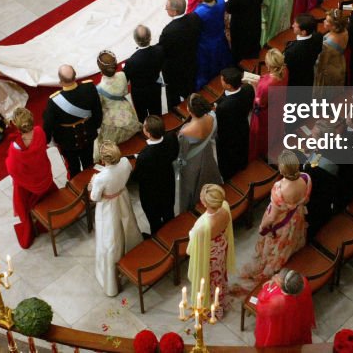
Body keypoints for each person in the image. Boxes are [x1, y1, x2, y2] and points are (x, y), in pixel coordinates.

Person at [241, 150, 311, 284]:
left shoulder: (279, 189)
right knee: (288, 243)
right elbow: (305, 199)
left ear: (282, 170)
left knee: (274, 246)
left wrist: (263, 226)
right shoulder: (305, 178)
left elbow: (272, 217)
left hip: (281, 222)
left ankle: (270, 267)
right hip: (296, 217)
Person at [91, 141, 143, 295]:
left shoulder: (101, 177)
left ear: (103, 159)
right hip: (122, 197)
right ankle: (133, 253)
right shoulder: (126, 162)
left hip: (108, 207)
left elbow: (95, 197)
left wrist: (94, 181)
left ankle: (111, 280)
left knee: (110, 239)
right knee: (128, 227)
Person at [6, 107, 57, 248]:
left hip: (29, 184)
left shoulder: (16, 146)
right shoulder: (40, 132)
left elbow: (12, 169)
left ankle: (32, 228)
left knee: (23, 201)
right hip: (43, 175)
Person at [44, 64, 103, 178]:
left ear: (60, 81)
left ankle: (78, 189)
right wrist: (95, 126)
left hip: (67, 142)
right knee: (89, 163)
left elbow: (48, 126)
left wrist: (48, 141)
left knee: (73, 168)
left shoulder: (53, 101)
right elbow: (98, 111)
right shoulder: (89, 88)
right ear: (75, 76)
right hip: (88, 135)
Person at [187, 184, 235, 319]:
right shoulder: (225, 208)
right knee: (219, 275)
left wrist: (192, 233)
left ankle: (214, 308)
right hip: (221, 247)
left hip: (209, 254)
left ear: (204, 203)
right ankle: (221, 298)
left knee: (210, 281)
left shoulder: (202, 226)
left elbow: (194, 245)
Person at [130, 115, 179, 235]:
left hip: (151, 192)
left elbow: (136, 177)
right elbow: (174, 154)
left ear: (148, 133)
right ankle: (171, 232)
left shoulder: (145, 156)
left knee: (154, 218)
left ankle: (157, 237)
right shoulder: (171, 137)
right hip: (168, 182)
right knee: (168, 211)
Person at [177, 94, 224, 211]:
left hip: (193, 161)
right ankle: (211, 196)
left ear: (190, 111)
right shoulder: (212, 116)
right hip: (207, 152)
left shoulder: (186, 130)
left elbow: (182, 152)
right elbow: (213, 134)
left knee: (190, 185)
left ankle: (191, 207)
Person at [93, 50, 142, 158]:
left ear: (101, 68)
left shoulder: (99, 88)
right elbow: (125, 91)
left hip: (112, 120)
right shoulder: (122, 75)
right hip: (127, 112)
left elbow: (100, 107)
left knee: (99, 146)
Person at [159, 0, 202, 109]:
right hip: (191, 62)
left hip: (174, 71)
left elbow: (163, 51)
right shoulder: (194, 18)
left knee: (172, 97)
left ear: (174, 11)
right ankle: (193, 108)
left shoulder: (168, 31)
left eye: (167, 8)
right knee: (190, 90)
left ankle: (175, 115)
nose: (166, 9)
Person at [253, 269, 315, 347]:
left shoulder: (277, 301)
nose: (276, 275)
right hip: (296, 321)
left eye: (278, 276)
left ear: (282, 284)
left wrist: (267, 287)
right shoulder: (303, 282)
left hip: (281, 327)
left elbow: (260, 307)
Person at [226, 0, 268, 64]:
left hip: (240, 24)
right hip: (255, 17)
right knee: (253, 39)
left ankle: (238, 65)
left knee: (238, 46)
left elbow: (229, 9)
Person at [215, 67, 254, 181]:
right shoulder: (248, 89)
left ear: (228, 85)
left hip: (228, 138)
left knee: (228, 162)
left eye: (222, 80)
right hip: (243, 127)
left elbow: (221, 128)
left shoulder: (223, 107)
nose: (220, 81)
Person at [193, 0, 232, 89]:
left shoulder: (199, 12)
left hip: (205, 45)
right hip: (220, 39)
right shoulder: (220, 1)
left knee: (206, 69)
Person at [124, 25, 164, 122]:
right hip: (155, 87)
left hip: (139, 93)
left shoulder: (131, 61)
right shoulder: (159, 51)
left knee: (142, 116)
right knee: (157, 112)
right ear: (150, 37)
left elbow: (125, 78)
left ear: (135, 40)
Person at [284, 14, 323, 87]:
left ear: (303, 32)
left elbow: (286, 69)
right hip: (309, 77)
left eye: (295, 26)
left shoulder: (292, 51)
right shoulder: (318, 36)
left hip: (295, 82)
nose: (292, 26)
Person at [314, 9, 348, 88]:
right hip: (340, 63)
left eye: (327, 21)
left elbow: (321, 65)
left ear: (334, 26)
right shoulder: (345, 31)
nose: (324, 21)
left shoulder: (327, 45)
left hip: (329, 72)